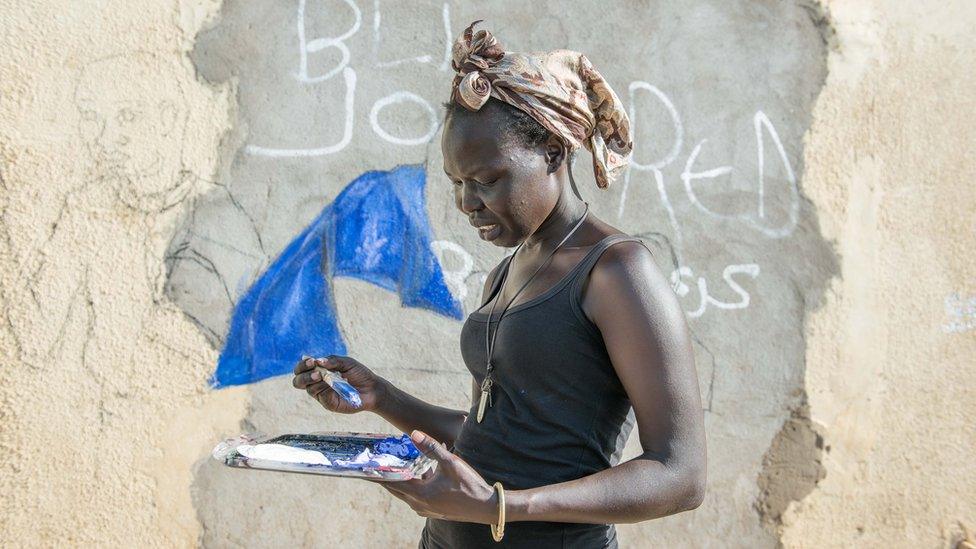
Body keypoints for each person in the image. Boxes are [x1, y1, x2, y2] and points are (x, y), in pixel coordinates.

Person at [292, 21, 706, 548]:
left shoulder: (617, 271)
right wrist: (382, 397)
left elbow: (681, 476)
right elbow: (500, 437)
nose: (466, 202)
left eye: (486, 180)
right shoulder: (507, 272)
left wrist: (499, 506)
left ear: (554, 153)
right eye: (457, 183)